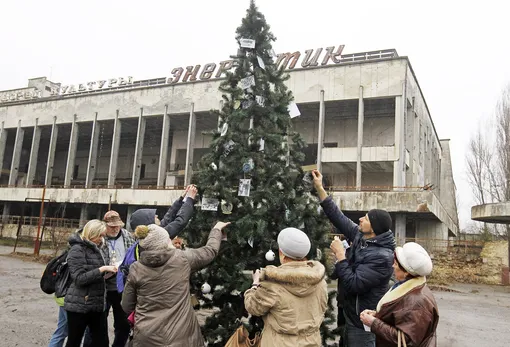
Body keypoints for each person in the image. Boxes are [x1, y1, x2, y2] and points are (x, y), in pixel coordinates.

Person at [312, 169, 395, 347]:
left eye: (365, 218)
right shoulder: (360, 236)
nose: (360, 219)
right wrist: (320, 187)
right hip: (347, 313)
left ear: (374, 228)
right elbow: (337, 215)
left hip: (361, 321)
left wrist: (340, 255)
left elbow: (354, 284)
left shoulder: (382, 257)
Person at [121, 221, 230, 347]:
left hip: (147, 337)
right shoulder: (182, 259)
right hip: (182, 336)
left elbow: (126, 305)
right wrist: (216, 229)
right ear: (165, 242)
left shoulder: (136, 268)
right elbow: (209, 251)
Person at [244, 227, 328, 347]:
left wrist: (255, 284)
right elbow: (322, 308)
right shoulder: (320, 281)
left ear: (281, 254)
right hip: (311, 342)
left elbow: (253, 307)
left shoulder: (272, 284)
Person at [116, 184, 198, 293]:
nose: (158, 217)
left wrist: (182, 199)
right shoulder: (156, 239)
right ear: (148, 223)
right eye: (154, 217)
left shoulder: (148, 237)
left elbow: (168, 218)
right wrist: (190, 200)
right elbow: (180, 221)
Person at [360, 242, 439, 347]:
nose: (393, 266)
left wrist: (374, 323)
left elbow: (407, 340)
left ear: (406, 272)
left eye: (396, 264)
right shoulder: (410, 287)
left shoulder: (417, 301)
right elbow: (401, 317)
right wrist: (379, 316)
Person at [64, 220, 118, 347]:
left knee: (102, 341)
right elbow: (79, 278)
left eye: (103, 236)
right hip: (79, 305)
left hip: (97, 303)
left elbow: (95, 274)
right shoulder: (77, 250)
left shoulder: (96, 249)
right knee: (74, 341)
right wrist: (103, 269)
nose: (102, 239)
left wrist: (110, 272)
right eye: (100, 236)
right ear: (91, 234)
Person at [93, 210, 135, 347]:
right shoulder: (98, 239)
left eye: (118, 225)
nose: (115, 229)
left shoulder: (127, 236)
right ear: (104, 226)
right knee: (97, 324)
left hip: (122, 287)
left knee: (123, 324)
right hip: (102, 287)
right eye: (112, 226)